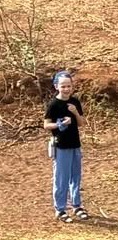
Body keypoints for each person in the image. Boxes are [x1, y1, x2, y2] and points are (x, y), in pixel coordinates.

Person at [44, 71, 86, 222]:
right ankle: (60, 209)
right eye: (63, 86)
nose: (66, 89)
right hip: (61, 146)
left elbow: (81, 123)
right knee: (61, 178)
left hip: (75, 144)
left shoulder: (75, 102)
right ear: (56, 86)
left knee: (76, 177)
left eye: (68, 86)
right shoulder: (53, 105)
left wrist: (75, 113)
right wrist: (60, 124)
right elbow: (46, 125)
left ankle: (77, 206)